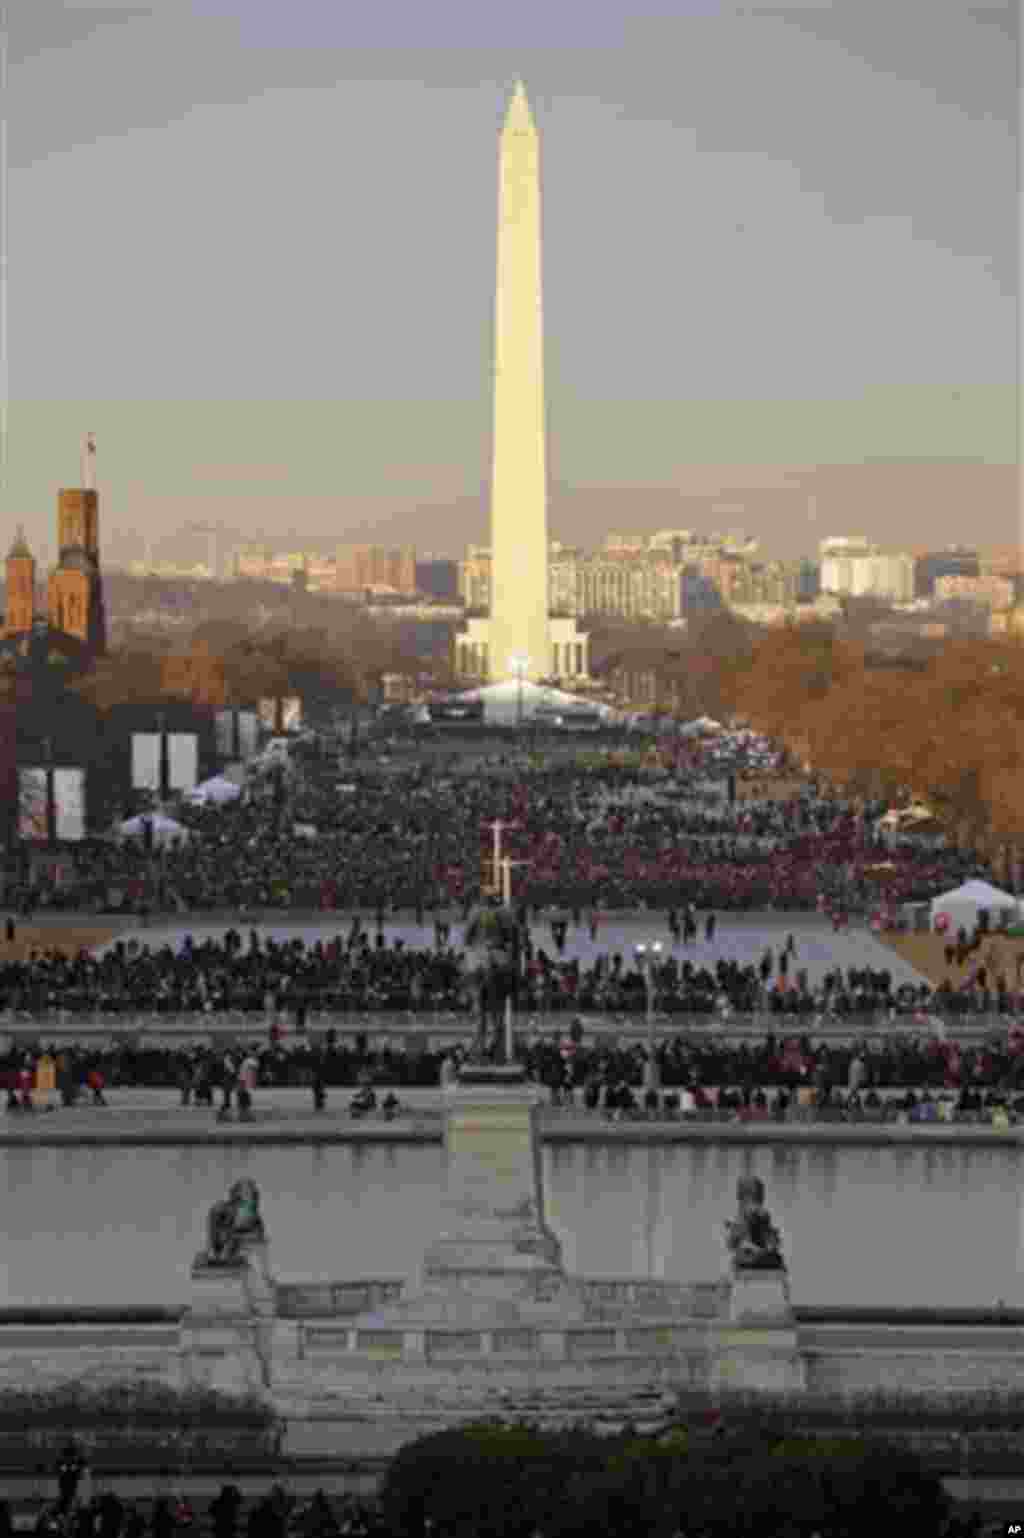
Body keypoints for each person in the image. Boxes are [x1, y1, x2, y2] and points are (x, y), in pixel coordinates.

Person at [56, 1440, 86, 1515]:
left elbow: (81, 1465)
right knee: (66, 1497)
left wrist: (76, 1468)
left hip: (70, 1482)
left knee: (69, 1496)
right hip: (66, 1482)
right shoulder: (63, 1461)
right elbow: (59, 1466)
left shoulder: (76, 1460)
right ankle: (65, 1510)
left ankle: (68, 1509)